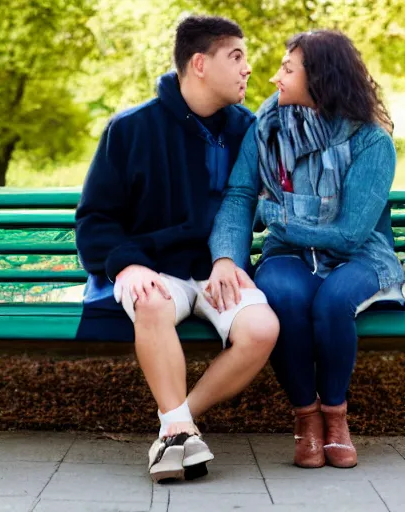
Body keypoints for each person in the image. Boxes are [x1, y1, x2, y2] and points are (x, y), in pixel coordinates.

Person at [75, 15, 279, 482]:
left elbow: (262, 204)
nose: (248, 68)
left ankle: (176, 427)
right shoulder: (130, 129)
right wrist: (125, 266)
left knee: (262, 328)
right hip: (153, 268)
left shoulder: (247, 130)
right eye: (237, 56)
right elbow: (96, 217)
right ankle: (179, 430)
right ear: (200, 64)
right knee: (150, 301)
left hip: (217, 271)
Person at [208, 30, 404, 469]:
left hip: (361, 257)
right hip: (289, 255)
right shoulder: (266, 130)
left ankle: (336, 418)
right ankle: (307, 418)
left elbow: (351, 233)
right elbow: (240, 198)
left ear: (320, 78)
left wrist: (278, 217)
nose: (275, 77)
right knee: (283, 294)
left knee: (333, 301)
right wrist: (225, 258)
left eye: (288, 69)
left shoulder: (370, 140)